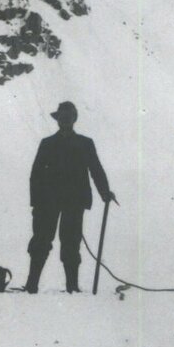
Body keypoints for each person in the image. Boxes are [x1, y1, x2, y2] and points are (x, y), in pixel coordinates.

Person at [26, 101, 114, 294]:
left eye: (68, 118)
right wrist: (36, 203)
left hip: (74, 202)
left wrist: (105, 192)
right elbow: (36, 175)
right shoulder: (47, 143)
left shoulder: (85, 143)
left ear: (73, 120)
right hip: (47, 203)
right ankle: (31, 284)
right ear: (58, 121)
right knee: (41, 241)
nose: (65, 121)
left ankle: (72, 286)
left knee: (71, 242)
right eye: (62, 118)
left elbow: (96, 169)